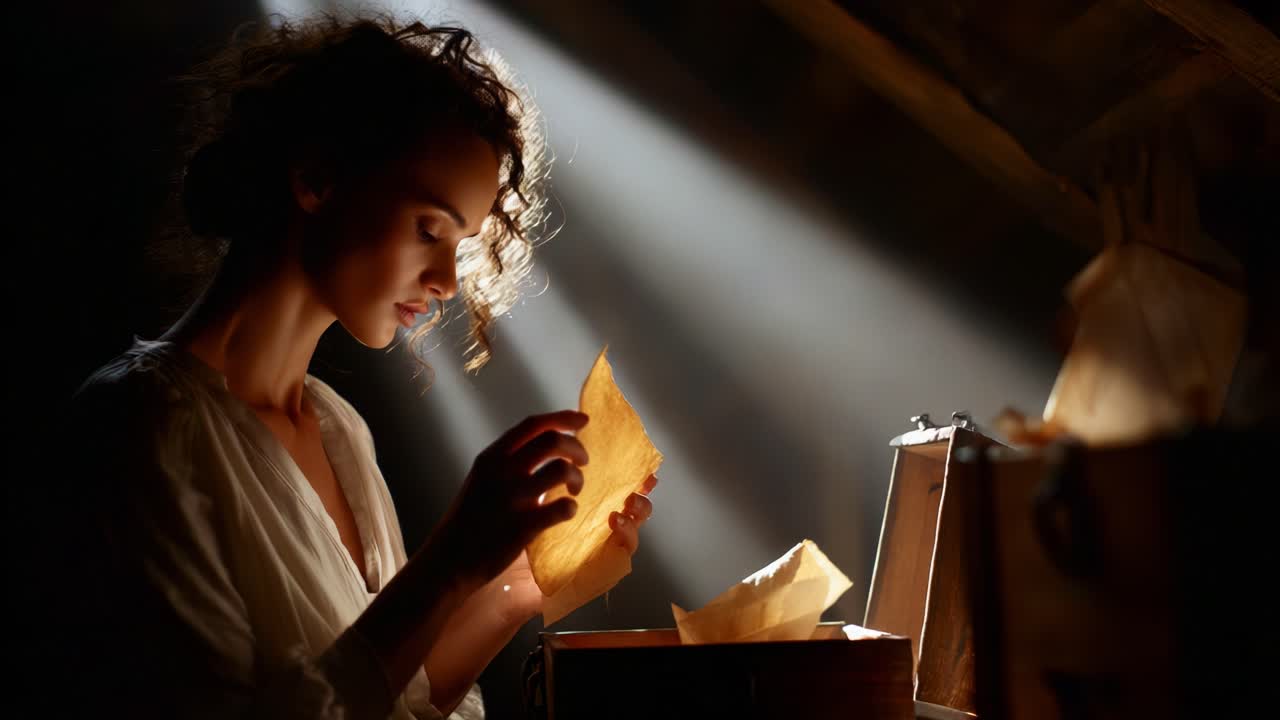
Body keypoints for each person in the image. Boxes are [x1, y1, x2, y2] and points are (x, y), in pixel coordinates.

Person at [59, 14, 656, 719]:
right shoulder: (140, 427)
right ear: (317, 180)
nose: (446, 282)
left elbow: (390, 693)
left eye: (459, 244)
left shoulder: (340, 431)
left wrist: (511, 586)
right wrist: (446, 566)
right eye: (428, 229)